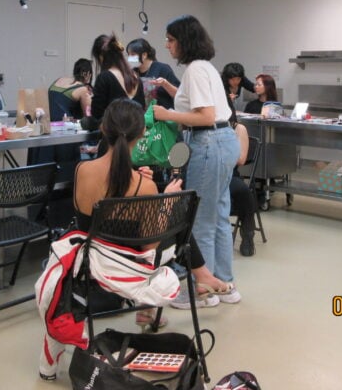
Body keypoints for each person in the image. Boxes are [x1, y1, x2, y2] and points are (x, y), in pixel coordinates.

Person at [73, 100, 233, 324]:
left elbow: (92, 217)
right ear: (142, 133)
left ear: (103, 129)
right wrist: (165, 201)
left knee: (169, 210)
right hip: (129, 263)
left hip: (92, 257)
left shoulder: (81, 170)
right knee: (176, 211)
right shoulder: (143, 185)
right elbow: (150, 248)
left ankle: (200, 279)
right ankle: (197, 279)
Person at [152, 15, 241, 305]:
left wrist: (166, 114)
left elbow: (203, 116)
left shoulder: (194, 70)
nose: (167, 45)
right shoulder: (205, 68)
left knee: (200, 219)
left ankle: (203, 290)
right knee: (217, 217)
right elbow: (197, 104)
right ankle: (224, 283)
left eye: (170, 39)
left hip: (208, 142)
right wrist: (168, 89)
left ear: (184, 41)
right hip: (223, 141)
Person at [89, 34, 144, 123]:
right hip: (135, 134)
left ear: (101, 57)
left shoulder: (105, 77)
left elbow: (97, 113)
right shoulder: (136, 77)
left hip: (113, 135)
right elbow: (141, 110)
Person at [229, 106, 257, 256]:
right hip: (210, 173)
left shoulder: (238, 129)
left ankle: (248, 234)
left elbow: (241, 159)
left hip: (230, 173)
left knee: (243, 191)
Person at [126, 37, 180, 109]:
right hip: (140, 116)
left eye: (133, 54)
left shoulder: (163, 69)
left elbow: (179, 94)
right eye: (128, 54)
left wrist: (165, 84)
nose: (129, 58)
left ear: (144, 55)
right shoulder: (132, 72)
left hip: (162, 116)